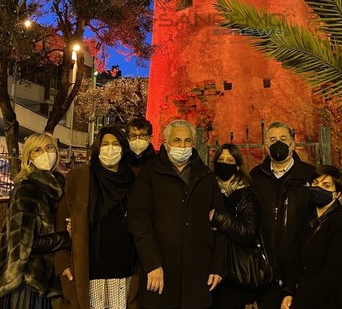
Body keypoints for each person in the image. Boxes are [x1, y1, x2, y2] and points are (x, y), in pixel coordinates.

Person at [127, 119, 228, 309]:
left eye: (187, 141)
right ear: (166, 144)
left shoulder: (205, 176)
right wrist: (152, 263)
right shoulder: (150, 175)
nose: (182, 146)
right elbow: (139, 221)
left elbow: (220, 224)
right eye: (177, 141)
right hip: (161, 271)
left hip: (198, 274)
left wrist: (218, 266)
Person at [55, 125, 136, 309]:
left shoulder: (134, 178)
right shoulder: (80, 177)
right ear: (97, 147)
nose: (110, 148)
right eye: (105, 143)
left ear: (123, 148)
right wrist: (62, 263)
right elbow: (62, 221)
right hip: (89, 271)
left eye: (115, 144)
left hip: (125, 272)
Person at [0, 132, 70, 309]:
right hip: (25, 280)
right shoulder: (28, 189)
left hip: (43, 279)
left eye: (49, 148)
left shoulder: (56, 186)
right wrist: (66, 237)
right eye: (37, 150)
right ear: (29, 157)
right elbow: (24, 243)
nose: (45, 154)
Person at [249, 121, 315, 309]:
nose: (278, 143)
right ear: (266, 146)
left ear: (293, 144)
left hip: (300, 272)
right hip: (266, 276)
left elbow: (329, 208)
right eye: (272, 139)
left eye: (283, 139)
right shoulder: (255, 177)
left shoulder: (309, 175)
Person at [280, 165, 342, 309]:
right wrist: (289, 292)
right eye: (315, 183)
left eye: (326, 185)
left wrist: (300, 302)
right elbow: (296, 259)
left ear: (337, 193)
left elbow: (334, 274)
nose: (318, 188)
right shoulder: (306, 218)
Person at [209, 143, 262, 309]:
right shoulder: (208, 190)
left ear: (237, 165)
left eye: (229, 160)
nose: (224, 163)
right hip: (209, 270)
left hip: (236, 274)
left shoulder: (246, 194)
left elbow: (248, 232)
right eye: (221, 159)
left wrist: (217, 218)